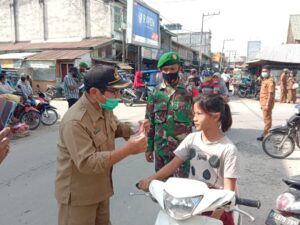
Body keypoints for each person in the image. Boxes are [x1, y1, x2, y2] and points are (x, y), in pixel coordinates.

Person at [55, 64, 150, 225]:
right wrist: (127, 150)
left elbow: (115, 127)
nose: (119, 96)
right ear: (94, 92)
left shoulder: (103, 106)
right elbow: (87, 162)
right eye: (114, 91)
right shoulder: (75, 121)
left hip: (100, 188)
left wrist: (135, 126)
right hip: (79, 196)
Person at [139, 94, 238, 225]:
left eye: (198, 114)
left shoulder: (228, 149)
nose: (194, 118)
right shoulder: (192, 139)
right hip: (191, 205)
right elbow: (173, 164)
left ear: (215, 116)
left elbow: (228, 191)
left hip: (217, 209)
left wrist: (213, 218)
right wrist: (150, 180)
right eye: (193, 114)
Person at [145, 51, 193, 178]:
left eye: (172, 69)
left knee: (180, 190)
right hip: (161, 151)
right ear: (160, 70)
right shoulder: (155, 93)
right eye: (165, 69)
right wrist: (149, 147)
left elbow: (200, 118)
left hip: (181, 152)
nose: (168, 72)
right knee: (161, 188)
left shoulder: (189, 92)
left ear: (179, 69)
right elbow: (149, 122)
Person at [257, 65, 275, 141]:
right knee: (266, 119)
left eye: (265, 71)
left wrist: (267, 104)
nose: (263, 73)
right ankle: (267, 134)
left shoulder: (270, 81)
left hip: (266, 103)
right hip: (263, 103)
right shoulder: (265, 80)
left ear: (269, 71)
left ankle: (266, 135)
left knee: (267, 120)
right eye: (262, 71)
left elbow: (270, 94)